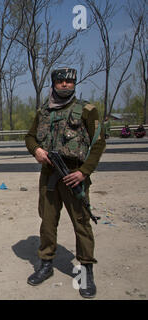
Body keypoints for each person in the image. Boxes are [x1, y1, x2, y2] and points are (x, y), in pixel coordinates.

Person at [25, 68, 106, 299]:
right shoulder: (43, 111)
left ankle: (86, 270)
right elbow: (30, 137)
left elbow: (99, 143)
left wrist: (83, 172)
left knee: (81, 223)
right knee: (47, 221)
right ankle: (46, 264)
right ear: (54, 84)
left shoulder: (88, 110)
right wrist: (36, 150)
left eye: (70, 81)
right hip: (49, 174)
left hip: (74, 174)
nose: (65, 85)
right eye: (60, 81)